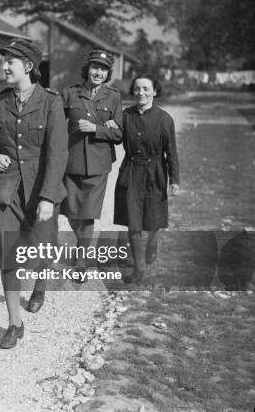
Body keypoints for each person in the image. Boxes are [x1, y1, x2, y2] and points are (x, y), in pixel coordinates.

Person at [0, 38, 68, 348]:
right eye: (3, 61)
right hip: (5, 189)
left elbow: (58, 153)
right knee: (8, 255)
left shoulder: (51, 102)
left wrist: (48, 196)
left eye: (10, 62)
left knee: (41, 247)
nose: (4, 66)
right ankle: (14, 323)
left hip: (40, 189)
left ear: (28, 67)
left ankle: (40, 286)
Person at [61, 49, 123, 278]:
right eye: (95, 67)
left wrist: (97, 129)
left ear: (108, 74)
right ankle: (83, 247)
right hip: (71, 160)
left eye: (103, 69)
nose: (98, 72)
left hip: (98, 164)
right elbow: (57, 125)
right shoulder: (69, 94)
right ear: (87, 69)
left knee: (87, 213)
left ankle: (81, 259)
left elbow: (119, 135)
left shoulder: (113, 97)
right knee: (70, 211)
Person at [114, 75, 180, 283]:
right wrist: (109, 125)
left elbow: (172, 152)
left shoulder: (164, 119)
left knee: (152, 220)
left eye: (145, 89)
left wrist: (174, 180)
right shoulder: (125, 116)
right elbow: (114, 137)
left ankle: (152, 242)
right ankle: (139, 268)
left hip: (155, 172)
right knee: (133, 223)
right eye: (137, 89)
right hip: (131, 171)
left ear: (155, 91)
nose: (141, 93)